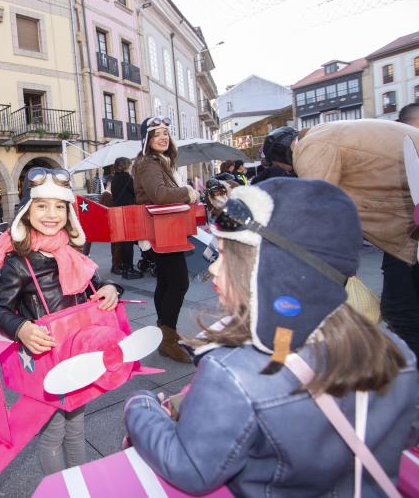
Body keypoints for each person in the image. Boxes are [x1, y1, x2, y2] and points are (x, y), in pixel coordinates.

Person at [124, 178, 418, 496]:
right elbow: (408, 432)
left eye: (227, 256)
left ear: (273, 270)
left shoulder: (233, 371)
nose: (213, 270)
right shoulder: (398, 352)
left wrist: (139, 404)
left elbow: (191, 468)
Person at [0, 167, 122, 475]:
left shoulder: (73, 252)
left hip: (78, 355)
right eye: (42, 205)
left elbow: (96, 282)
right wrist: (21, 327)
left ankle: (80, 486)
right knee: (53, 434)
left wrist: (112, 288)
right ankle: (60, 487)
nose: (52, 214)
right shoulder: (18, 262)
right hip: (46, 363)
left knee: (76, 428)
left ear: (69, 211)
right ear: (26, 210)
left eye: (59, 206)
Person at [293, 119, 419, 363]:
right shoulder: (331, 134)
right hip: (406, 233)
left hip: (409, 232)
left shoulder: (312, 147)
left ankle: (411, 384)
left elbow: (317, 211)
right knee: (403, 307)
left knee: (402, 312)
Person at [132, 117, 199, 363]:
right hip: (161, 231)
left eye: (166, 133)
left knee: (166, 281)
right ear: (146, 140)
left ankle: (165, 332)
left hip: (162, 230)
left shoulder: (160, 162)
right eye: (156, 133)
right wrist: (187, 192)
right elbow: (159, 195)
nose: (162, 137)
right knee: (179, 283)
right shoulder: (149, 163)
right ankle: (168, 339)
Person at [112, 157, 143, 280]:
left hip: (119, 212)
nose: (131, 166)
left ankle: (126, 268)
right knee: (128, 243)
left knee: (125, 242)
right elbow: (137, 192)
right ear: (125, 165)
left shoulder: (115, 178)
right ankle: (129, 269)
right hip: (128, 212)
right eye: (130, 165)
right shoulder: (126, 178)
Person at [99, 175, 122, 275]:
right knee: (116, 246)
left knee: (118, 245)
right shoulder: (106, 195)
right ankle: (115, 266)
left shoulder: (109, 194)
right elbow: (106, 210)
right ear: (109, 183)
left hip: (115, 222)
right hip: (112, 223)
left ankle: (118, 264)